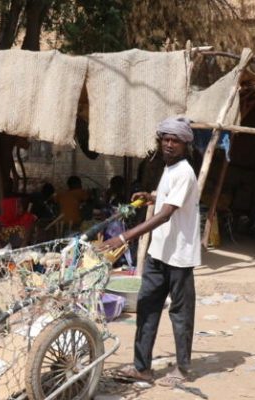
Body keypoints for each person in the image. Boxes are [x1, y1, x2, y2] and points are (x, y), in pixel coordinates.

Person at [100, 117, 201, 387]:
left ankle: (182, 369)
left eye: (174, 140)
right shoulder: (169, 169)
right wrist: (153, 197)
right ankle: (142, 368)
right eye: (165, 139)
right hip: (158, 253)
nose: (168, 144)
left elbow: (168, 214)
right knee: (146, 308)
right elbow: (167, 200)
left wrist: (125, 236)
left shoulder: (184, 172)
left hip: (179, 256)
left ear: (185, 144)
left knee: (180, 314)